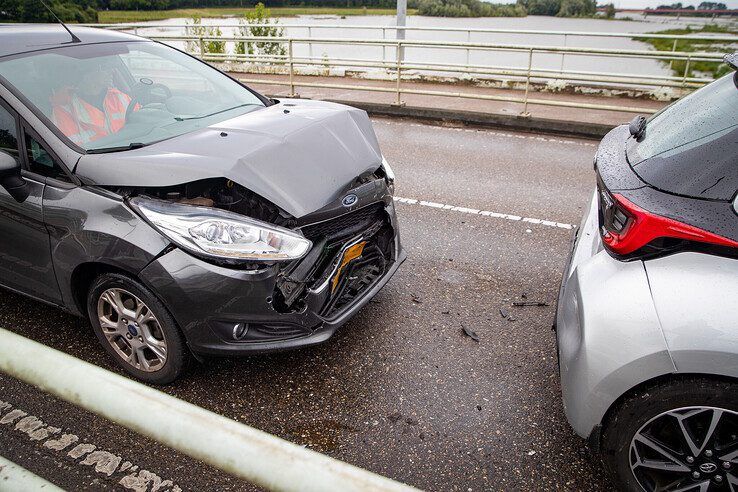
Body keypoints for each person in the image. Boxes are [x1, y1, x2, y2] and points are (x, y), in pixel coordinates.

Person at [50, 60, 134, 146]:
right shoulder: (63, 111)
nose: (112, 71)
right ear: (86, 75)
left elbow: (143, 122)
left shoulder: (120, 97)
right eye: (105, 67)